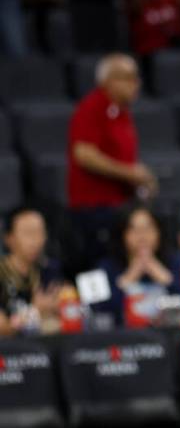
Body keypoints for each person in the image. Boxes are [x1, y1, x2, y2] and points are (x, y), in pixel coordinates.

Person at [67, 54, 157, 275]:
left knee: (117, 268)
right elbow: (84, 154)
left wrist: (140, 182)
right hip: (95, 209)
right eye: (128, 77)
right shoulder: (93, 107)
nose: (136, 83)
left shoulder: (121, 112)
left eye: (136, 77)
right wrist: (130, 174)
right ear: (108, 81)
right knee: (97, 270)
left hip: (118, 207)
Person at [92, 205, 180, 327]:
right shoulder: (104, 267)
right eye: (134, 230)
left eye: (148, 228)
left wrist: (166, 278)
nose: (142, 236)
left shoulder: (178, 262)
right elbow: (94, 310)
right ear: (122, 234)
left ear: (159, 233)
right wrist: (128, 278)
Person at [0, 206, 60, 336]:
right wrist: (35, 311)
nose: (36, 240)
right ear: (9, 238)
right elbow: (2, 327)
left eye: (40, 232)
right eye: (28, 233)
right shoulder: (2, 273)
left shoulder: (49, 270)